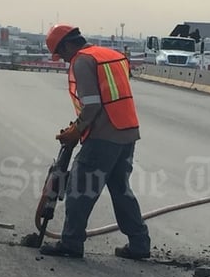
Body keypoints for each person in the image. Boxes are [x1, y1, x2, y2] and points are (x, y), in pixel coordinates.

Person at [39, 24, 151, 260]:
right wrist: (78, 126)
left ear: (69, 45)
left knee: (80, 188)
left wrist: (76, 131)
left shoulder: (82, 61)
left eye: (62, 55)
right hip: (127, 131)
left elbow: (92, 104)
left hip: (103, 137)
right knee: (121, 190)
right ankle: (140, 244)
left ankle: (71, 243)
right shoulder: (111, 55)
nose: (64, 61)